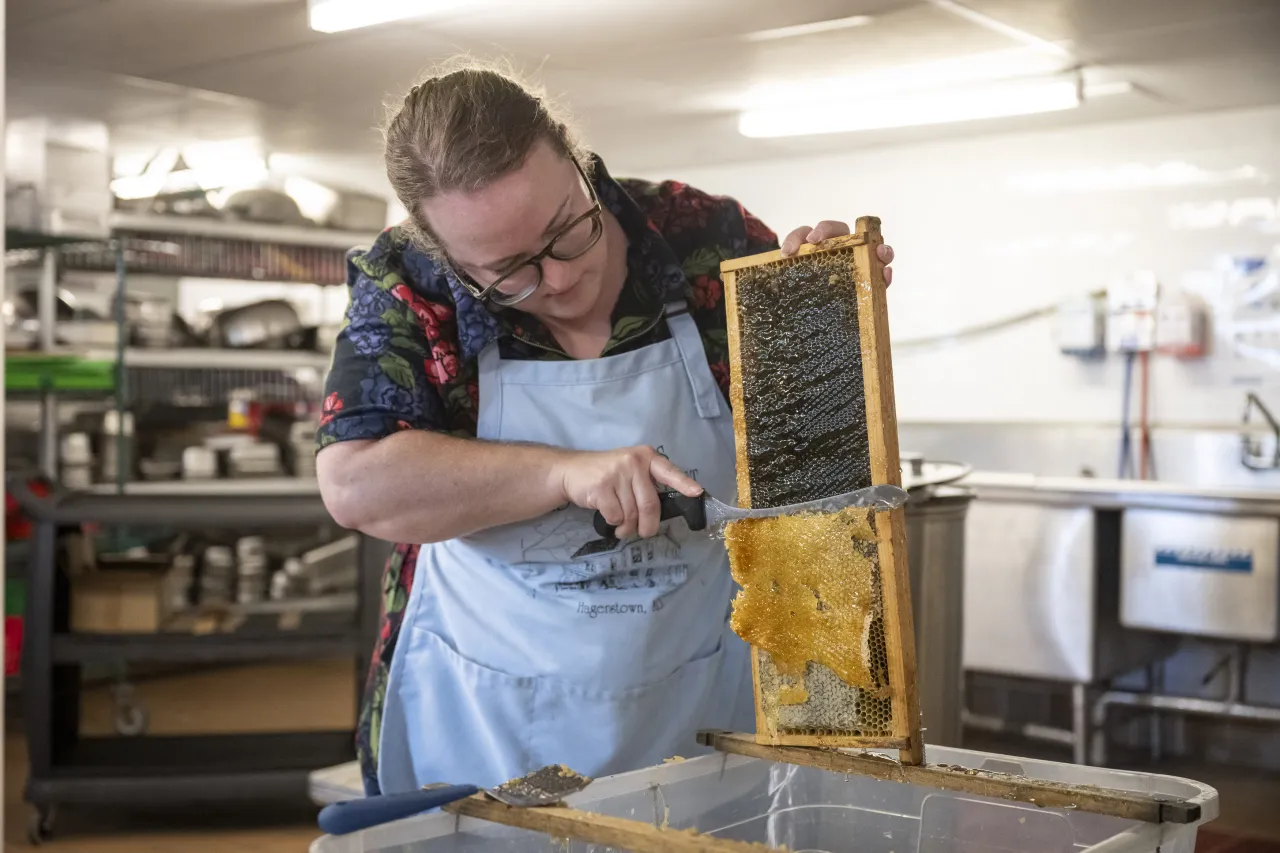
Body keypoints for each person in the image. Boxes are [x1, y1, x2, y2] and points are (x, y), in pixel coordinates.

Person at [316, 61, 897, 796]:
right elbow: (355, 483)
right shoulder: (405, 283)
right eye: (509, 273)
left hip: (695, 710)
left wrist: (827, 306)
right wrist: (562, 472)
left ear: (578, 161)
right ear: (446, 258)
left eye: (568, 231)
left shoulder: (707, 239)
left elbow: (813, 473)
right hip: (482, 718)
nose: (557, 280)